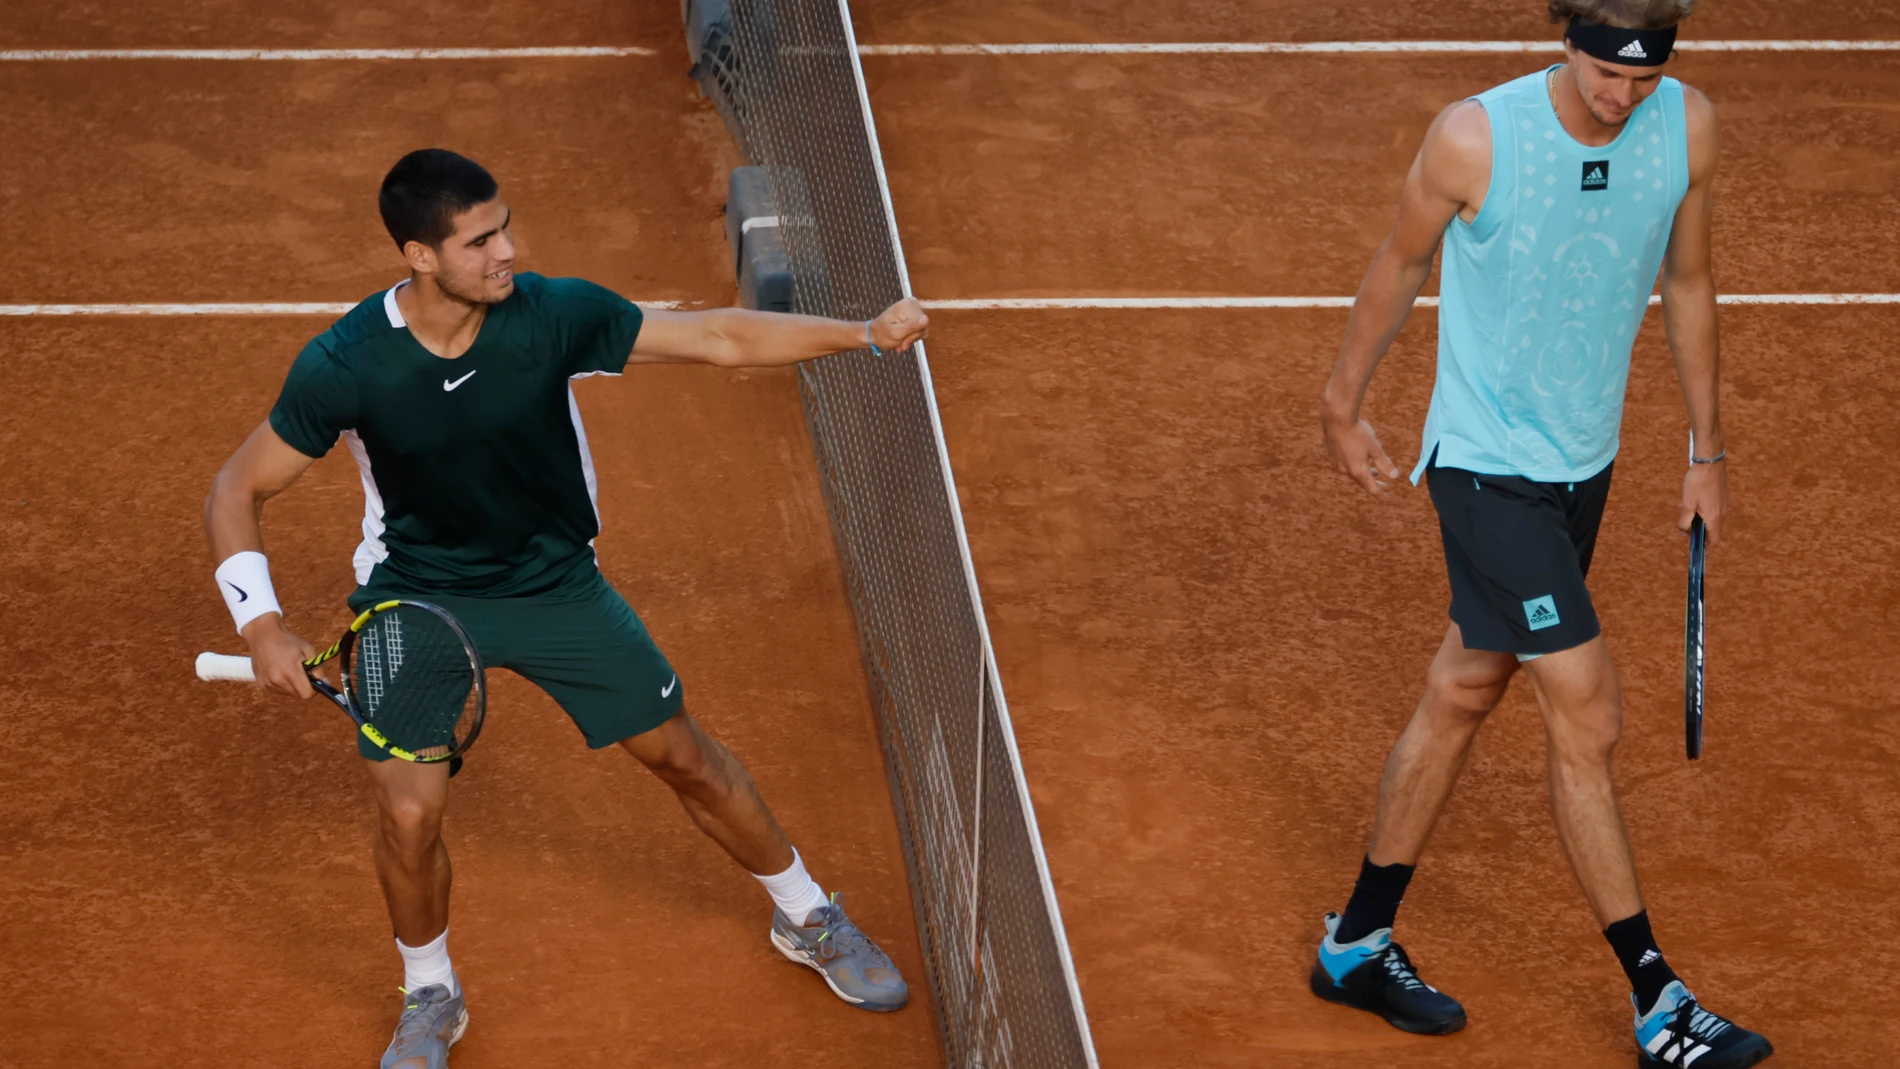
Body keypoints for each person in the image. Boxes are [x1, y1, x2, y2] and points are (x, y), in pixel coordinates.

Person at [203, 148, 928, 1068]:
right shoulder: (345, 365)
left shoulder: (550, 315)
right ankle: (430, 992)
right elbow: (236, 487)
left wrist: (863, 334)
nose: (508, 249)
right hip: (417, 602)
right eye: (480, 239)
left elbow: (717, 338)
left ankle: (807, 914)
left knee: (686, 759)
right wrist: (259, 623)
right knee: (410, 818)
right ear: (420, 257)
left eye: (504, 226)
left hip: (556, 585)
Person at [1313, 3, 1771, 1066]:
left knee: (1467, 685)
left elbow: (1689, 282)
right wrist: (1342, 402)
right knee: (1588, 712)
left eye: (1642, 80)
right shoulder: (1477, 136)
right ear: (1567, 40)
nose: (1621, 99)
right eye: (1605, 76)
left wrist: (1707, 454)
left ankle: (1352, 943)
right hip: (1485, 471)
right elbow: (1399, 261)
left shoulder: (1685, 127)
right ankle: (1658, 1000)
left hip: (1582, 465)